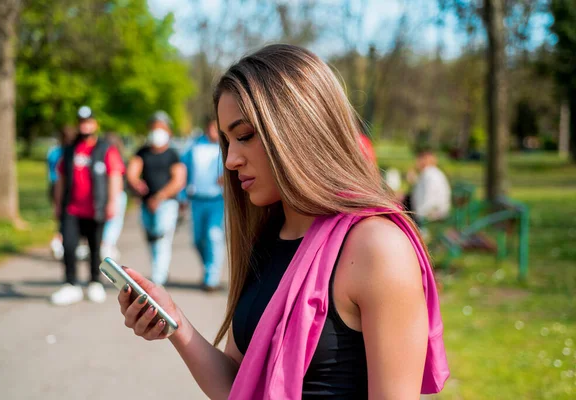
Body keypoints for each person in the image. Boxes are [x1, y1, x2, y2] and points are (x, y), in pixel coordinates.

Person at [114, 45, 449, 398]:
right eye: (227, 142)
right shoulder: (268, 237)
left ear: (298, 128)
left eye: (244, 136)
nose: (230, 160)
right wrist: (175, 323)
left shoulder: (377, 248)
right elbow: (237, 384)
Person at [50, 106, 125, 306]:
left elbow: (115, 175)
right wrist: (57, 204)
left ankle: (94, 282)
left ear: (95, 124)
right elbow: (61, 179)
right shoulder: (68, 150)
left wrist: (112, 202)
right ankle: (70, 284)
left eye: (88, 122)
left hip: (95, 208)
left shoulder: (105, 149)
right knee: (69, 246)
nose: (85, 126)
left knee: (95, 247)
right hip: (71, 209)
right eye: (81, 122)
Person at [126, 111, 187, 286]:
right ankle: (159, 270)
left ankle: (158, 278)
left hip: (166, 204)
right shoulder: (143, 152)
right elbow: (133, 171)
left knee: (162, 237)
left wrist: (159, 197)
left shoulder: (173, 154)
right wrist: (136, 183)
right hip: (146, 204)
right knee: (151, 238)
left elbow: (179, 179)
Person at [180, 117, 225, 291]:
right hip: (197, 199)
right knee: (198, 239)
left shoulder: (227, 147)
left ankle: (211, 278)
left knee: (213, 236)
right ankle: (208, 266)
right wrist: (182, 197)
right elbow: (183, 170)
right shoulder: (194, 147)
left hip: (217, 200)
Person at [47, 126, 76, 260]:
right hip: (65, 186)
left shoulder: (53, 152)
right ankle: (59, 241)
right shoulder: (71, 154)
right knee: (68, 218)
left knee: (60, 215)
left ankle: (58, 240)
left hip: (53, 184)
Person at [403, 148, 452, 225]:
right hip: (432, 210)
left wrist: (418, 214)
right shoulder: (431, 172)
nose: (416, 163)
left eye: (418, 160)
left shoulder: (429, 174)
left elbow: (427, 198)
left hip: (432, 213)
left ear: (424, 160)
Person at [101, 132, 129, 261]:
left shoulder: (101, 155)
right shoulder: (117, 157)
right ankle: (107, 245)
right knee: (114, 223)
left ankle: (105, 244)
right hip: (115, 195)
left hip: (104, 194)